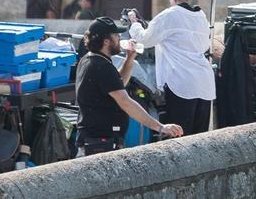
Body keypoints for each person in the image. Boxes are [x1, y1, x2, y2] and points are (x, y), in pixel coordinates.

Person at [74, 17, 182, 154]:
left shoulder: (90, 59)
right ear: (106, 41)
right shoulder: (100, 66)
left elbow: (118, 83)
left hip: (96, 140)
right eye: (116, 35)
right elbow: (126, 102)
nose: (120, 38)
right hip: (99, 143)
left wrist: (129, 59)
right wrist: (160, 127)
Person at [127, 0, 216, 135]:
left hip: (181, 82)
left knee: (179, 137)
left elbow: (145, 39)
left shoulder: (169, 15)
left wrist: (134, 23)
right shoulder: (201, 16)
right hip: (204, 83)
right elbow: (204, 45)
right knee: (200, 138)